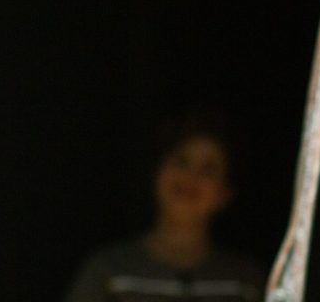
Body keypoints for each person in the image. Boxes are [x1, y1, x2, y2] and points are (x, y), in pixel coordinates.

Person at [63, 110, 266, 302]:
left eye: (207, 169)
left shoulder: (244, 283)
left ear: (225, 193)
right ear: (157, 171)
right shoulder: (108, 272)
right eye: (181, 161)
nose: (190, 177)